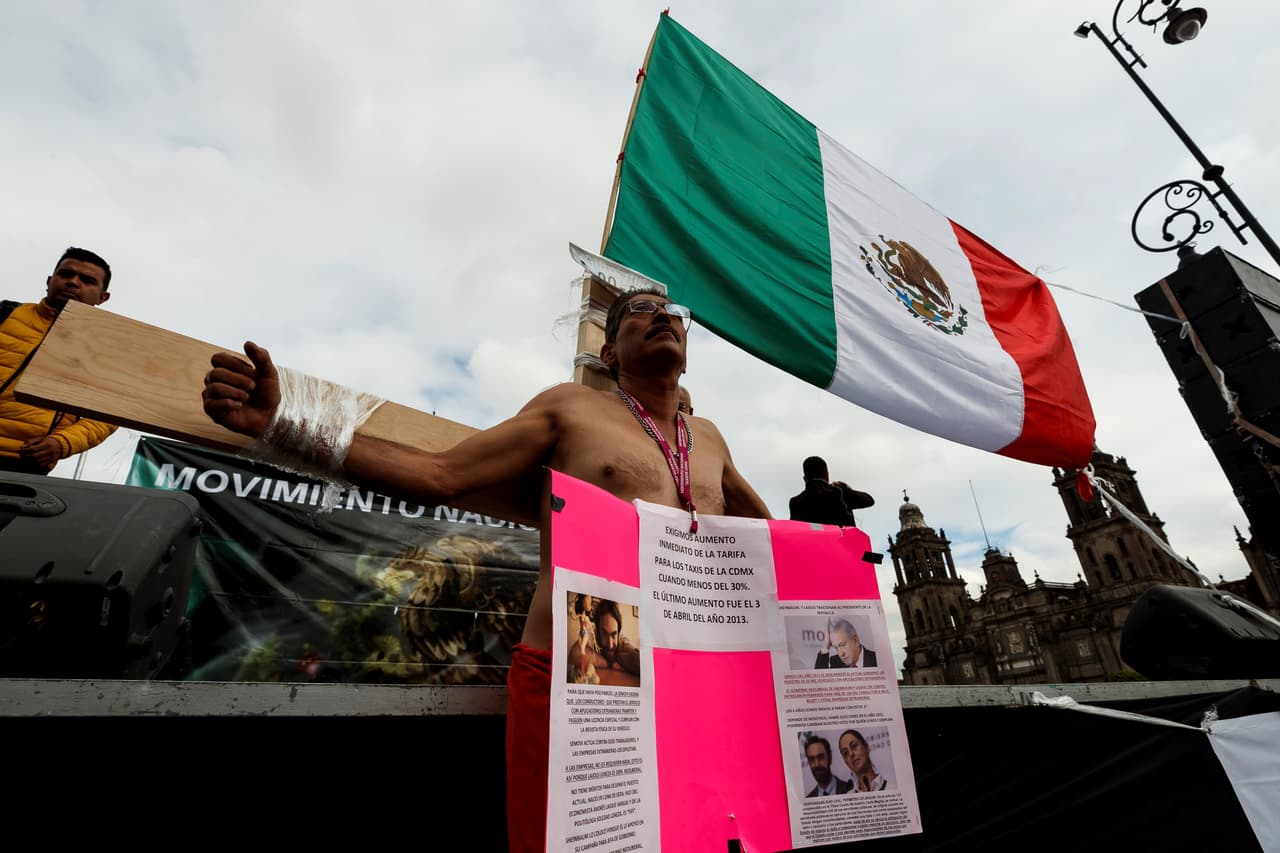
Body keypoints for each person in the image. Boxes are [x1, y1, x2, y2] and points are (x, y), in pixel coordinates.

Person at [200, 285, 771, 853]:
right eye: (640, 311)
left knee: (686, 834)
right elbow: (441, 476)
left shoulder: (709, 438)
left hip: (686, 673)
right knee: (571, 840)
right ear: (609, 354)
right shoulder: (571, 408)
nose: (662, 317)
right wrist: (284, 422)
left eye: (672, 313)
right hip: (577, 669)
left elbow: (768, 542)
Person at [0, 247, 118, 475]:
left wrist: (61, 443)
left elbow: (107, 417)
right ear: (49, 280)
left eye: (87, 280)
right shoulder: (6, 313)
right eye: (65, 274)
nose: (73, 282)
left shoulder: (106, 351)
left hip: (25, 466)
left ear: (103, 297)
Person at [788, 455, 874, 527]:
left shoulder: (795, 503)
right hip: (844, 546)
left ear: (805, 479)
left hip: (813, 546)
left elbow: (795, 530)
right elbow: (869, 500)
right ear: (827, 475)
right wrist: (846, 488)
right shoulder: (839, 492)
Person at [568, 597, 639, 678]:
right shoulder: (592, 631)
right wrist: (607, 663)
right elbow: (574, 655)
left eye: (614, 634)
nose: (610, 644)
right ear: (597, 630)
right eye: (604, 633)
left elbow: (641, 663)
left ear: (619, 632)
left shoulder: (623, 642)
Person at [838, 729, 890, 793]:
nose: (851, 754)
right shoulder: (849, 797)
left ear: (866, 747)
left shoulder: (891, 787)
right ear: (846, 762)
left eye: (854, 746)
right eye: (846, 753)